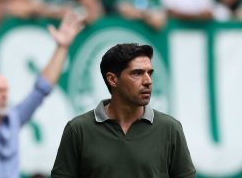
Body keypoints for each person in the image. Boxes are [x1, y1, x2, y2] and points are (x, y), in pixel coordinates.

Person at [0, 3, 83, 178]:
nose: (5, 95)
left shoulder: (13, 118)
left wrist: (62, 48)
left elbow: (41, 89)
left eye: (5, 90)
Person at [51, 43, 196, 178]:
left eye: (149, 73)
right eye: (137, 73)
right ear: (112, 79)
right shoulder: (78, 129)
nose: (148, 81)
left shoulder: (170, 128)